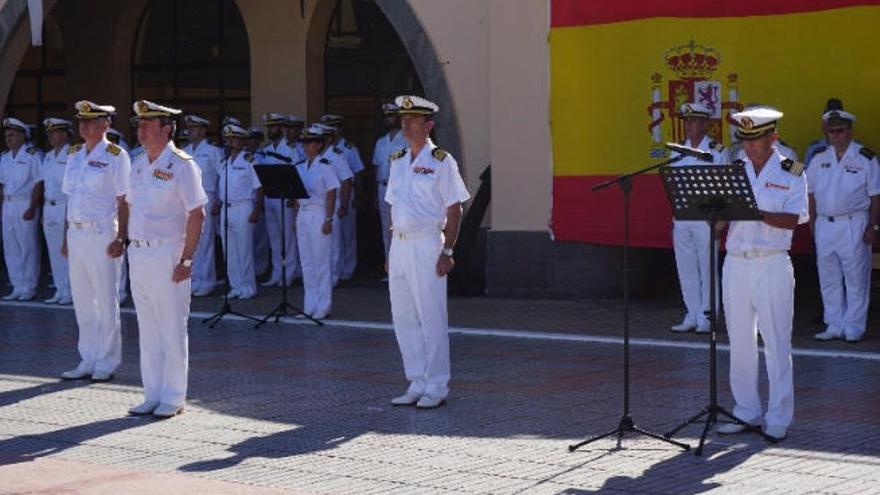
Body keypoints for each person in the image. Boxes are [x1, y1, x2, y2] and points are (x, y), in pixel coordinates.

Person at [717, 106, 807, 441]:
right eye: (744, 140)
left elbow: (795, 219)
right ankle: (746, 411)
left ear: (773, 137)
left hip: (771, 262)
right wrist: (715, 218)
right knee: (740, 342)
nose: (748, 147)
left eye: (755, 140)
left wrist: (755, 211)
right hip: (737, 261)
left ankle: (779, 415)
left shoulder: (792, 170)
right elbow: (723, 223)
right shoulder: (734, 168)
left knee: (776, 342)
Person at [386, 95, 470, 409]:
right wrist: (389, 250)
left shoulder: (441, 160)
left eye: (412, 120)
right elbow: (392, 207)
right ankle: (416, 381)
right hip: (400, 244)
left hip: (426, 243)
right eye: (403, 120)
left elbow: (454, 208)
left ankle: (436, 385)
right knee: (403, 316)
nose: (405, 125)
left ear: (428, 125)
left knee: (431, 316)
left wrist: (447, 250)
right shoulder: (397, 160)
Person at [126, 100, 207, 418]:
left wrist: (186, 260)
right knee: (147, 327)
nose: (141, 129)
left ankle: (173, 395)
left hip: (167, 252)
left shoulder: (182, 164)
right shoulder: (138, 163)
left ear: (166, 128)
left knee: (172, 325)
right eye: (139, 125)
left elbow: (196, 213)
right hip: (139, 251)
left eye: (147, 124)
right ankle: (152, 393)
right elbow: (132, 206)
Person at [60, 101, 130, 382]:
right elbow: (71, 198)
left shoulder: (116, 155)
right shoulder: (74, 154)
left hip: (103, 234)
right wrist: (66, 236)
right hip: (76, 234)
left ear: (106, 125)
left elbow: (124, 200)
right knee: (83, 300)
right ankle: (87, 358)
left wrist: (122, 237)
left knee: (105, 298)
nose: (84, 127)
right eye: (81, 122)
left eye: (91, 122)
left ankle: (107, 361)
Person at [807, 106, 880, 343]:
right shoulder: (819, 159)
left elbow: (876, 196)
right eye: (832, 131)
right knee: (828, 277)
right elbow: (810, 194)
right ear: (826, 133)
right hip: (824, 224)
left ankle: (854, 327)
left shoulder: (866, 157)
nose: (837, 135)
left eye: (841, 131)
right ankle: (834, 323)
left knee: (856, 277)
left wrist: (873, 226)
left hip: (854, 222)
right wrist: (811, 222)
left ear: (850, 131)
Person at [670, 103, 730, 333]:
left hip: (707, 219)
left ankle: (708, 316)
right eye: (687, 121)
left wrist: (721, 219)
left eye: (694, 121)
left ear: (706, 124)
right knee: (686, 268)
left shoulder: (717, 151)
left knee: (708, 269)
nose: (689, 126)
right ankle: (692, 314)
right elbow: (674, 187)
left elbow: (725, 188)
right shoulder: (677, 151)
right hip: (683, 217)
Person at [293, 125, 340, 319]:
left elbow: (332, 192)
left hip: (319, 213)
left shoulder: (326, 165)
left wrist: (329, 218)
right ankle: (309, 305)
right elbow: (296, 194)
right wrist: (295, 217)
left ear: (319, 144)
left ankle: (324, 305)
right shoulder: (300, 165)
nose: (306, 146)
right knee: (306, 262)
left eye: (310, 142)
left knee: (320, 262)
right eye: (304, 142)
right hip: (303, 214)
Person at [216, 123, 263, 299]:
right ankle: (235, 286)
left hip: (244, 207)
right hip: (226, 208)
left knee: (244, 249)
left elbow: (259, 187)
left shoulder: (250, 160)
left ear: (242, 141)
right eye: (228, 139)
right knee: (229, 250)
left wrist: (257, 209)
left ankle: (248, 287)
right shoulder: (224, 162)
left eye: (234, 138)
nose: (230, 142)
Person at [0, 117, 43, 301]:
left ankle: (29, 286)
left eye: (12, 135)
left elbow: (38, 182)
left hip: (25, 203)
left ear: (22, 136)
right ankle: (17, 285)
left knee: (28, 246)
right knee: (11, 247)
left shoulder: (33, 155)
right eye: (6, 136)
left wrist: (33, 206)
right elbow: (2, 185)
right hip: (8, 204)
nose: (8, 139)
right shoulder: (4, 157)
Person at [183, 114, 223, 296]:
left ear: (203, 130)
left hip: (207, 196)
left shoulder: (213, 151)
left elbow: (223, 176)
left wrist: (219, 200)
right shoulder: (185, 150)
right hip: (188, 200)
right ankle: (195, 279)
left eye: (194, 128)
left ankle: (207, 281)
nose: (190, 131)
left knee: (205, 240)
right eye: (189, 128)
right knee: (191, 241)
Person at [321, 114, 364, 281]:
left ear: (339, 129)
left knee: (348, 234)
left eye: (333, 127)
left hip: (345, 193)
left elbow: (357, 173)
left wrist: (357, 196)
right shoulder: (321, 150)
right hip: (330, 198)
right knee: (335, 236)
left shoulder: (348, 148)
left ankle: (349, 268)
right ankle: (338, 269)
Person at [260, 112, 300, 287]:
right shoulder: (266, 149)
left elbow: (298, 173)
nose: (271, 130)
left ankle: (289, 274)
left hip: (285, 198)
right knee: (274, 239)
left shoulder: (291, 150)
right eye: (269, 127)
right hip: (270, 197)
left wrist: (293, 197)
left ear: (282, 128)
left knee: (288, 238)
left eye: (274, 126)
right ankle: (277, 274)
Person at [40, 117, 74, 305]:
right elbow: (46, 185)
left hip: (64, 206)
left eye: (54, 133)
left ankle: (70, 290)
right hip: (49, 206)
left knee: (66, 250)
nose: (51, 137)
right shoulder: (48, 156)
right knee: (54, 250)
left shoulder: (72, 155)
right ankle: (60, 289)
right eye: (49, 133)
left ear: (63, 134)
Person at [315, 123, 354, 286]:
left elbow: (346, 181)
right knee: (319, 243)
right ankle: (322, 276)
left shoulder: (337, 156)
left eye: (321, 137)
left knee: (333, 242)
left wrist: (344, 205)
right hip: (317, 204)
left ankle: (334, 276)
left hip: (334, 201)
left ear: (329, 138)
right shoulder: (314, 157)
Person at [372, 102, 406, 272]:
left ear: (399, 118)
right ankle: (391, 269)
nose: (389, 119)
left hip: (400, 190)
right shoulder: (380, 142)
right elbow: (376, 168)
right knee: (386, 232)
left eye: (392, 116)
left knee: (401, 230)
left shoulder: (406, 140)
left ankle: (403, 269)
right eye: (386, 116)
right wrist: (373, 195)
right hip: (383, 188)